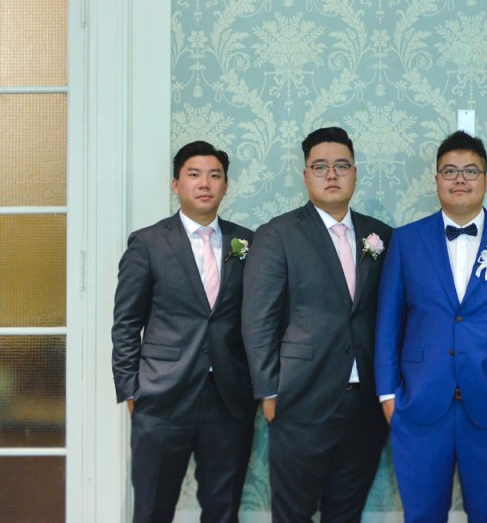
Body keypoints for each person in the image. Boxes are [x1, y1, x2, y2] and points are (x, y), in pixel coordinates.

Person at [374, 130, 487, 523]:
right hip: (418, 405)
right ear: (436, 179)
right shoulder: (406, 240)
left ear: (486, 179)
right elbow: (388, 324)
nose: (460, 179)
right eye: (450, 171)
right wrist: (388, 396)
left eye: (471, 171)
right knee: (421, 516)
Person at [242, 126, 392, 523]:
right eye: (320, 166)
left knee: (347, 512)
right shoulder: (277, 234)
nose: (331, 174)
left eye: (341, 165)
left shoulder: (381, 235)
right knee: (293, 513)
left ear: (355, 173)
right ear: (306, 175)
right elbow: (258, 319)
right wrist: (268, 392)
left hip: (366, 402)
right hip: (300, 400)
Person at [111, 140, 255, 523]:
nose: (204, 183)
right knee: (153, 510)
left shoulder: (248, 242)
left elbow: (259, 320)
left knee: (223, 511)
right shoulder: (148, 243)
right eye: (194, 174)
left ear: (225, 185)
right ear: (176, 184)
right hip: (162, 399)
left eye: (214, 175)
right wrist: (130, 388)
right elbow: (126, 323)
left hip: (228, 399)